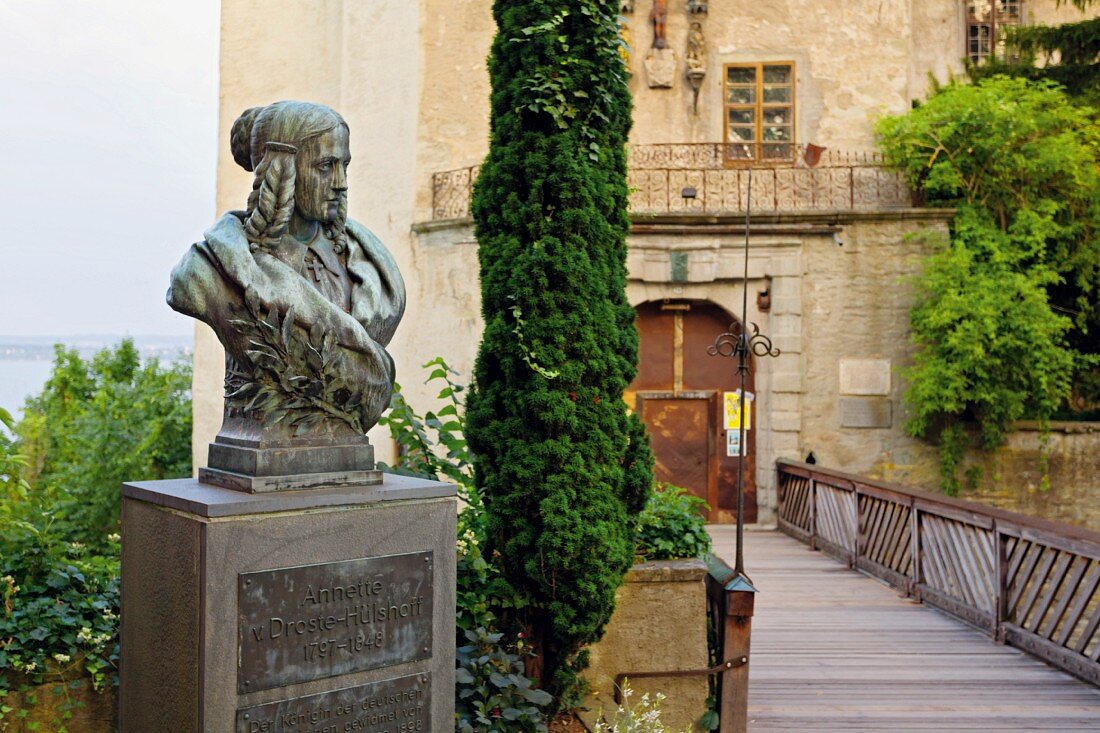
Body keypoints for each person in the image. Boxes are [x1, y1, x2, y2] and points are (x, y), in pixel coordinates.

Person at [167, 101, 405, 436]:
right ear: (283, 170)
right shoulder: (211, 269)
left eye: (344, 166)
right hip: (259, 448)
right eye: (325, 167)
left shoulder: (370, 268)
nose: (341, 183)